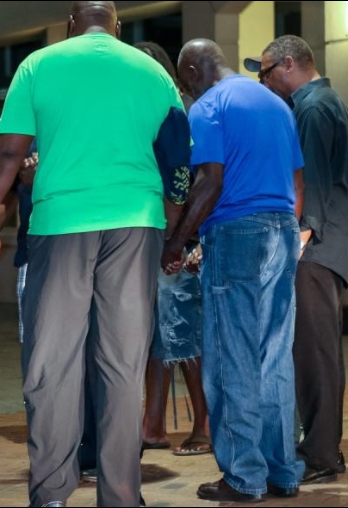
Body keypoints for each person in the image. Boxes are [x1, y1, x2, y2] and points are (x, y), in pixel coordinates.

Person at [0, 2, 190, 505]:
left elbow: (9, 153)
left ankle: (52, 493)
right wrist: (168, 229)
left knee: (52, 363)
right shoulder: (154, 73)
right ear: (118, 26)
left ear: (71, 25)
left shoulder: (39, 65)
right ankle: (121, 495)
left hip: (61, 225)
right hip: (136, 224)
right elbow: (179, 163)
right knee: (122, 364)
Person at [163, 39, 306, 502]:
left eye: (185, 82)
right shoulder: (277, 104)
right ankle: (282, 471)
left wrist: (176, 243)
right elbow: (297, 179)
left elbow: (209, 182)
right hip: (283, 229)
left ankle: (244, 476)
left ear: (191, 72)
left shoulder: (209, 106)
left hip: (237, 233)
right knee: (274, 356)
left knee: (230, 357)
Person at [244, 34, 348, 485]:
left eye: (267, 72)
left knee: (314, 355)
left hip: (314, 250)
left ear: (289, 65)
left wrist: (296, 243)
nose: (264, 82)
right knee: (319, 352)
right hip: (326, 247)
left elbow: (311, 184)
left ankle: (320, 454)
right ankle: (325, 448)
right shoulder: (327, 102)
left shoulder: (313, 108)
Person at [133, 40, 211, 458]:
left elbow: (196, 180)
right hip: (157, 235)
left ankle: (204, 424)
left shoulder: (182, 110)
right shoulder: (150, 107)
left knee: (183, 334)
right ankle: (154, 424)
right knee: (157, 335)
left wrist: (182, 240)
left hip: (179, 238)